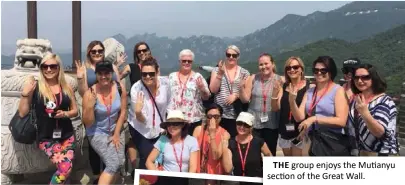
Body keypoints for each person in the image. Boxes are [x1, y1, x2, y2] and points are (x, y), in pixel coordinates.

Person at [19, 53, 78, 184]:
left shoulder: (66, 87)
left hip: (67, 135)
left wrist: (65, 114)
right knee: (65, 169)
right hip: (46, 137)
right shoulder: (36, 87)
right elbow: (22, 113)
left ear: (59, 68)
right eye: (45, 67)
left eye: (52, 66)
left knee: (65, 171)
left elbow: (75, 110)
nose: (49, 70)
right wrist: (25, 94)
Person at [74, 41, 123, 183]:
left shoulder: (112, 66)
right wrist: (79, 78)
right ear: (89, 53)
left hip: (112, 112)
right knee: (97, 156)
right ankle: (98, 178)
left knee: (116, 159)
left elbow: (118, 85)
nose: (97, 53)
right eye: (93, 51)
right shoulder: (85, 68)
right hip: (94, 110)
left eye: (100, 51)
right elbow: (83, 92)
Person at [289, 56, 350, 156]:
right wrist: (292, 100)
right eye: (316, 70)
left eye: (323, 70)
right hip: (313, 140)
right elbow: (299, 117)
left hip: (332, 142)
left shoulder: (338, 91)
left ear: (331, 72)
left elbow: (341, 121)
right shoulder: (310, 92)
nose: (319, 73)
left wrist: (314, 119)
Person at [82, 61, 127, 185]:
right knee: (113, 164)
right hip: (97, 132)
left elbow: (123, 112)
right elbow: (88, 122)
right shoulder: (89, 93)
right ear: (96, 75)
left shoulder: (119, 87)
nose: (103, 76)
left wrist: (116, 134)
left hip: (115, 129)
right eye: (100, 73)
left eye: (106, 73)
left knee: (120, 163)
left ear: (111, 74)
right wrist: (90, 107)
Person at [128, 57, 171, 170]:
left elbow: (170, 105)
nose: (147, 77)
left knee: (159, 157)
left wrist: (169, 125)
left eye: (151, 73)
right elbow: (143, 119)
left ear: (157, 72)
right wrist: (138, 112)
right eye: (144, 74)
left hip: (159, 128)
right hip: (140, 128)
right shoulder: (136, 89)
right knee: (147, 156)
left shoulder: (166, 84)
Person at [349, 63, 399, 156]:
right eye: (356, 77)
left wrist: (365, 113)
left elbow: (380, 132)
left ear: (374, 78)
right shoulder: (357, 100)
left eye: (365, 77)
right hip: (360, 153)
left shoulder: (385, 101)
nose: (360, 81)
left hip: (381, 154)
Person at [239, 53, 282, 156]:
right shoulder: (253, 78)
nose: (263, 67)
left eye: (266, 63)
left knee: (270, 153)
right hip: (254, 123)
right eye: (261, 64)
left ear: (272, 64)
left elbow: (278, 106)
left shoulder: (279, 80)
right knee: (253, 153)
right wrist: (240, 88)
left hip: (272, 123)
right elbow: (245, 100)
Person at [146, 110, 199, 185]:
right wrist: (157, 173)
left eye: (175, 124)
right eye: (169, 124)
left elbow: (193, 166)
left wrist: (187, 178)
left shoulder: (192, 141)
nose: (171, 127)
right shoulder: (163, 139)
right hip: (164, 181)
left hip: (182, 181)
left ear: (182, 125)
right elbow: (149, 161)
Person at [271, 56, 309, 156]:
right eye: (288, 68)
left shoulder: (309, 87)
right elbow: (275, 108)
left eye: (295, 67)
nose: (292, 70)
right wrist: (274, 93)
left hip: (300, 132)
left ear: (301, 69)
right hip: (285, 131)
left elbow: (308, 113)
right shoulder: (283, 87)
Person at [209, 45, 250, 138]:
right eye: (228, 55)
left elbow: (246, 96)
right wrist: (220, 74)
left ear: (238, 57)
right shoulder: (216, 70)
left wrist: (236, 95)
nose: (231, 57)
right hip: (219, 115)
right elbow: (213, 90)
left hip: (236, 114)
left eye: (234, 55)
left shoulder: (245, 73)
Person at [168, 49, 211, 135]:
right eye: (184, 61)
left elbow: (206, 97)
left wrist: (202, 89)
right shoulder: (171, 76)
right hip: (175, 119)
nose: (187, 63)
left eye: (189, 61)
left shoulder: (198, 77)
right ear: (179, 61)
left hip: (193, 120)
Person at [226, 112, 271, 185]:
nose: (242, 127)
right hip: (238, 182)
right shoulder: (231, 142)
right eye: (239, 123)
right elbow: (228, 168)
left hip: (257, 182)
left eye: (246, 125)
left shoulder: (258, 142)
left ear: (251, 127)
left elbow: (270, 158)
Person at [192, 103, 231, 185]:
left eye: (216, 116)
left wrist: (212, 134)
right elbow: (193, 154)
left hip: (214, 175)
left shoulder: (224, 134)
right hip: (199, 174)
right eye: (209, 116)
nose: (212, 119)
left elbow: (216, 156)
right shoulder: (198, 130)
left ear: (220, 117)